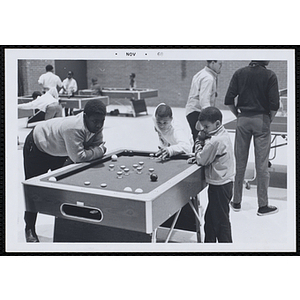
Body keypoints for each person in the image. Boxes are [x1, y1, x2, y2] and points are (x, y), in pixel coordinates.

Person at [23, 99, 107, 242]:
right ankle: (29, 228)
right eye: (95, 121)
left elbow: (97, 146)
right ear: (85, 116)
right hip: (37, 146)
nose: (98, 125)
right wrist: (99, 150)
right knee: (34, 190)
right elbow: (80, 156)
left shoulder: (97, 125)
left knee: (64, 185)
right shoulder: (73, 128)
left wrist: (97, 149)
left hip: (59, 150)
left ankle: (66, 224)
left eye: (102, 121)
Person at [224, 60, 280, 216]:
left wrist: (238, 116)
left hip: (243, 120)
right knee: (261, 165)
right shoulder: (270, 75)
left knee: (240, 163)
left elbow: (229, 100)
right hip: (261, 120)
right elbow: (274, 104)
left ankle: (236, 202)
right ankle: (263, 206)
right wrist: (268, 119)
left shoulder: (239, 73)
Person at [189, 106, 234, 243]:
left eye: (206, 127)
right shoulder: (222, 133)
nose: (203, 130)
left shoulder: (215, 141)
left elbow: (202, 159)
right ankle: (210, 244)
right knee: (211, 219)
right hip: (224, 184)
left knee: (221, 222)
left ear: (217, 124)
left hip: (220, 186)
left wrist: (198, 141)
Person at [185, 60, 223, 142]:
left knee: (198, 139)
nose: (221, 66)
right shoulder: (208, 78)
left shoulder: (201, 73)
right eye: (219, 64)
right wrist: (211, 118)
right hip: (198, 113)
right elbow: (204, 100)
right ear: (212, 63)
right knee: (203, 141)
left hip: (192, 111)